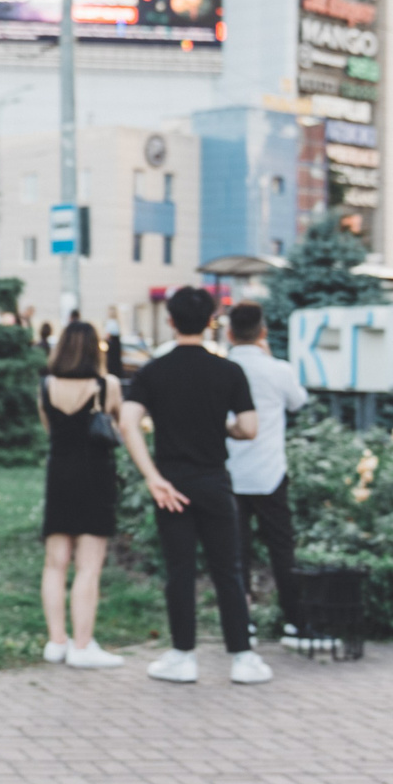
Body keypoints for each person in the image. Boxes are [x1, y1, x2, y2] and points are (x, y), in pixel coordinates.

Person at [119, 285, 272, 685]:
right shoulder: (228, 371)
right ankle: (242, 657)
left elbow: (127, 422)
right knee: (228, 570)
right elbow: (250, 428)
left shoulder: (153, 371)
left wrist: (153, 478)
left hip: (171, 484)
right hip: (214, 482)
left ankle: (182, 656)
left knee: (180, 570)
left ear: (169, 321)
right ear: (211, 323)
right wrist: (222, 426)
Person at [38, 319, 125, 669]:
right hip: (95, 475)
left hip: (59, 473)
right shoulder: (108, 386)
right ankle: (83, 645)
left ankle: (56, 641)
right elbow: (114, 425)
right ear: (94, 349)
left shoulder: (46, 386)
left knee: (55, 562)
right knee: (88, 566)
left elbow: (50, 428)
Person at [225, 302, 311, 641]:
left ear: (229, 333)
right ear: (262, 332)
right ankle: (295, 622)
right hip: (270, 472)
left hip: (231, 472)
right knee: (282, 548)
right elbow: (298, 402)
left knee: (235, 550)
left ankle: (241, 622)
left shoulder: (223, 368)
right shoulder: (279, 371)